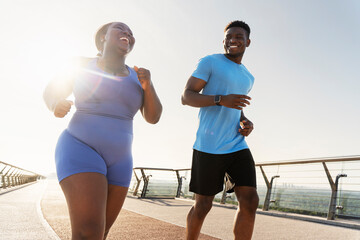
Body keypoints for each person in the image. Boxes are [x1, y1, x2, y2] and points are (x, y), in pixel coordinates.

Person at [43, 22, 162, 239]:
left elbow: (153, 117)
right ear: (103, 38)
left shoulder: (140, 76)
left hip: (121, 160)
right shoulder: (81, 64)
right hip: (80, 147)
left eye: (131, 33)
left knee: (101, 232)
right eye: (120, 29)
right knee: (89, 232)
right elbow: (51, 91)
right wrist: (55, 104)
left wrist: (149, 85)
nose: (127, 33)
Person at [181, 20, 258, 240]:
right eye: (229, 37)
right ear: (223, 41)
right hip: (209, 144)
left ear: (247, 42)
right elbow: (186, 96)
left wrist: (244, 121)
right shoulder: (210, 62)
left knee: (251, 200)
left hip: (236, 144)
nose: (233, 40)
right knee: (203, 205)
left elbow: (236, 108)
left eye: (239, 37)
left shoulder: (248, 77)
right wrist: (220, 99)